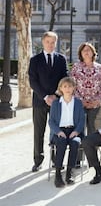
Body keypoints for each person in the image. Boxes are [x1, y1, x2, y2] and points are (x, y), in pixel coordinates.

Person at [29, 31, 68, 172]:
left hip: (57, 102)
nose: (50, 45)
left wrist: (56, 95)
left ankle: (55, 160)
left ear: (56, 43)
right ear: (43, 42)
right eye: (48, 42)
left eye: (53, 42)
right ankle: (38, 160)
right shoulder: (35, 60)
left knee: (56, 131)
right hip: (40, 101)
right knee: (39, 131)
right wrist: (46, 96)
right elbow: (32, 81)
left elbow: (65, 79)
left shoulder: (61, 59)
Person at [49, 77, 85, 188]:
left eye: (70, 86)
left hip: (74, 130)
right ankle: (58, 174)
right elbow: (51, 121)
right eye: (65, 86)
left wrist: (76, 131)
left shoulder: (78, 103)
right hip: (59, 131)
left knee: (75, 143)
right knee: (61, 142)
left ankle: (69, 172)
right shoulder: (56, 103)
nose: (67, 88)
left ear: (74, 88)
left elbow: (81, 120)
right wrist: (58, 131)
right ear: (60, 88)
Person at [70, 42, 101, 135]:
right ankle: (80, 149)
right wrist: (80, 101)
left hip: (95, 104)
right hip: (79, 104)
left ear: (93, 52)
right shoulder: (76, 67)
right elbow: (72, 86)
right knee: (79, 129)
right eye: (84, 50)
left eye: (88, 50)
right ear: (80, 53)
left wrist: (97, 100)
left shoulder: (100, 68)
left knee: (93, 130)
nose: (86, 52)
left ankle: (92, 149)